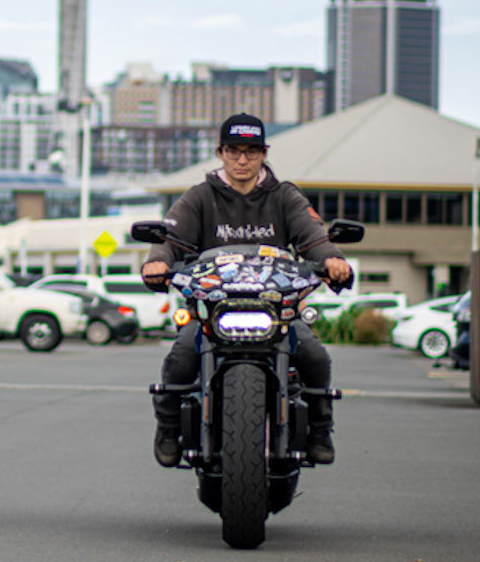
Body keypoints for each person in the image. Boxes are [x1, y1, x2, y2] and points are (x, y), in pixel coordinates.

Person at [141, 114, 351, 468]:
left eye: (251, 152)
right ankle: (168, 429)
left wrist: (332, 259)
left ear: (264, 153)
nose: (242, 160)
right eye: (234, 151)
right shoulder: (199, 197)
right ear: (220, 153)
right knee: (181, 357)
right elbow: (170, 238)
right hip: (211, 312)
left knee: (315, 355)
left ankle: (319, 431)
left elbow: (313, 235)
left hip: (276, 311)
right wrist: (157, 262)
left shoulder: (284, 196)